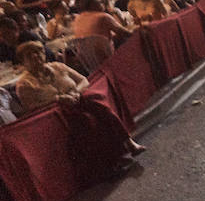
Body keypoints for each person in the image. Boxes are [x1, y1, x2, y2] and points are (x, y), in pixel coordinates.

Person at [15, 41, 144, 177]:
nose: (36, 57)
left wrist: (76, 91)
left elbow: (83, 80)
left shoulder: (58, 66)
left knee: (100, 106)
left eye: (38, 52)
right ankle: (110, 166)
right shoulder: (24, 84)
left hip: (78, 99)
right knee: (86, 121)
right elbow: (31, 108)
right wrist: (58, 99)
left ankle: (128, 143)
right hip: (57, 112)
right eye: (30, 56)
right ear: (23, 62)